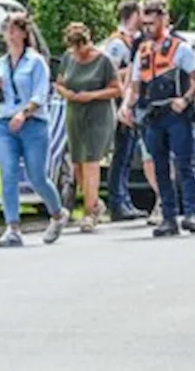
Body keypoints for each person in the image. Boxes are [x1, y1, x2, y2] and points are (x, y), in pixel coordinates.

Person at [120, 0, 195, 238]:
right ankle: (168, 216)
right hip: (152, 114)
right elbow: (135, 86)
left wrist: (185, 99)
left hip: (176, 114)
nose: (148, 28)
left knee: (184, 163)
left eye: (152, 23)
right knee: (159, 167)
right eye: (145, 23)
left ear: (164, 20)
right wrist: (127, 106)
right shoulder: (143, 51)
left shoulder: (181, 48)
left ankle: (191, 213)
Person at [0, 12, 72, 247]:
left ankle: (57, 214)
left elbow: (40, 94)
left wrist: (24, 113)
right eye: (7, 29)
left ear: (25, 33)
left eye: (15, 29)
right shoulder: (0, 64)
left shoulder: (36, 62)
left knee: (37, 176)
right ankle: (12, 227)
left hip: (33, 123)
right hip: (4, 123)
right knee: (8, 173)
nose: (10, 34)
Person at [57, 23, 122, 233]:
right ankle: (95, 203)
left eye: (81, 47)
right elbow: (59, 83)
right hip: (75, 114)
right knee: (77, 164)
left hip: (98, 115)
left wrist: (92, 95)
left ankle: (88, 213)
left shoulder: (103, 61)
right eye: (74, 48)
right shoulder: (68, 59)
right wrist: (67, 94)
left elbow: (116, 89)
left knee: (91, 161)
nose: (78, 52)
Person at [102, 0, 146, 222]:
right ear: (133, 14)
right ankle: (117, 203)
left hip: (130, 103)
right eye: (142, 12)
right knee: (121, 155)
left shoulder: (133, 41)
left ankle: (125, 199)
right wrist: (130, 72)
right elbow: (108, 75)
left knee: (128, 155)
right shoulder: (118, 44)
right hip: (119, 104)